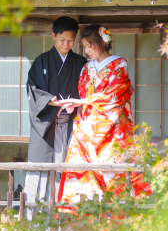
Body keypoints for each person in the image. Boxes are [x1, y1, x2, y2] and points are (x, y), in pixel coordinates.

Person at [56, 25, 151, 204]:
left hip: (113, 125)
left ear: (102, 42)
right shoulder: (86, 68)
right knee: (80, 165)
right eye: (85, 47)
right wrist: (74, 106)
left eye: (90, 45)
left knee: (113, 165)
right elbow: (82, 95)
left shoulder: (119, 63)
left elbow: (115, 94)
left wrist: (83, 102)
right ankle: (81, 210)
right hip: (87, 124)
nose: (87, 50)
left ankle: (114, 210)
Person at [24, 16, 86, 218]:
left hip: (70, 125)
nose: (67, 44)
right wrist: (50, 100)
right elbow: (33, 90)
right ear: (53, 36)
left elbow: (88, 91)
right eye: (62, 40)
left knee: (67, 169)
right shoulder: (41, 61)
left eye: (71, 40)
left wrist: (76, 104)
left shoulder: (81, 63)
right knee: (40, 170)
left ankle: (63, 219)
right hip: (47, 126)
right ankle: (35, 221)